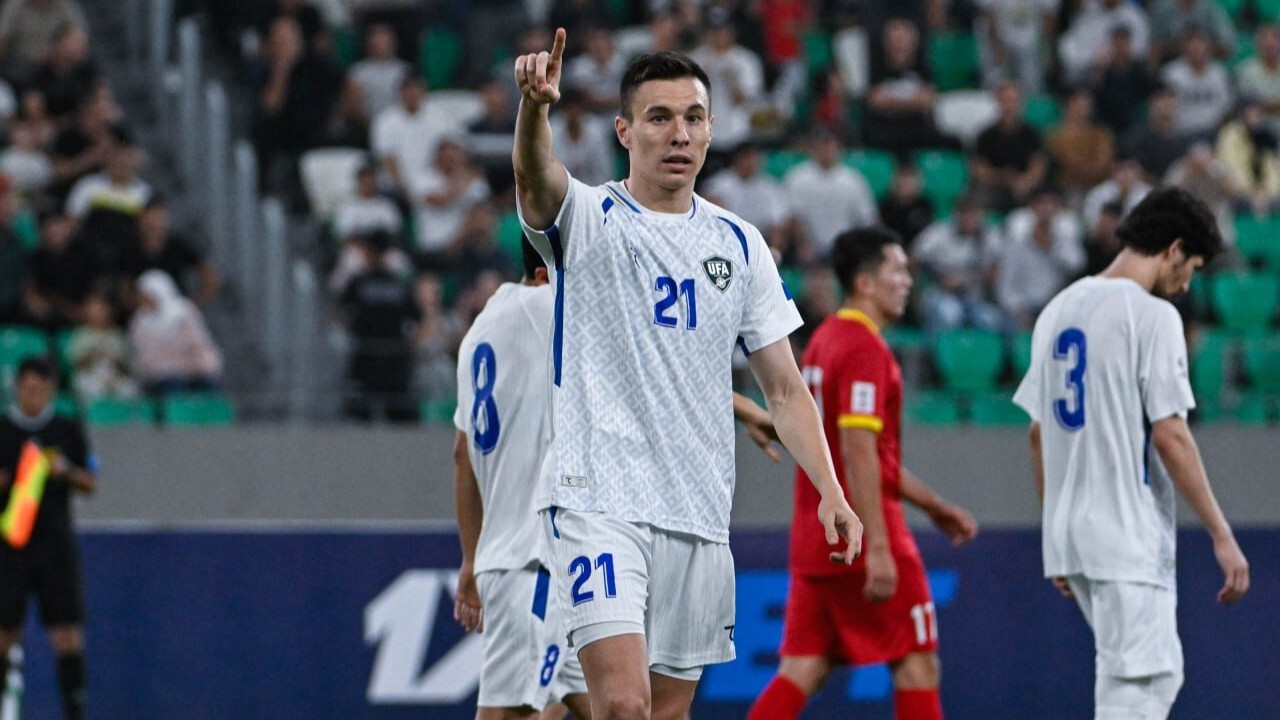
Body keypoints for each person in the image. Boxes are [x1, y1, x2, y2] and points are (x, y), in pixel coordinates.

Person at [511, 29, 862, 720]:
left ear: (711, 130)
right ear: (624, 131)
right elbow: (533, 175)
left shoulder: (740, 244)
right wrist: (534, 110)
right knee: (623, 705)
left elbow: (784, 388)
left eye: (694, 117)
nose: (679, 134)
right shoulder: (588, 216)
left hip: (698, 510)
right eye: (660, 117)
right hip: (597, 501)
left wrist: (830, 488)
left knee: (665, 714)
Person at [1012, 187, 1250, 719]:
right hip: (1124, 532)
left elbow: (1037, 434)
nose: (1187, 283)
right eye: (1191, 267)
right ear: (1174, 248)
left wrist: (1055, 530)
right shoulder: (1152, 316)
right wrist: (1221, 533)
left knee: (1138, 678)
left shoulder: (1057, 309)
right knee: (1143, 685)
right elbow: (1170, 435)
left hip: (1072, 534)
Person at [748, 227, 978, 720]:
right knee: (917, 664)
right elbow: (857, 452)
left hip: (815, 537)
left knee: (803, 669)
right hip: (863, 536)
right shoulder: (864, 349)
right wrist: (878, 547)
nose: (908, 281)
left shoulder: (824, 340)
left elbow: (863, 455)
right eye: (898, 270)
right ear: (865, 282)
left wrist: (934, 506)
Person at [453, 241, 592, 720]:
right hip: (533, 562)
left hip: (518, 559)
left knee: (619, 705)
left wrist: (471, 558)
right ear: (544, 274)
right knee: (509, 714)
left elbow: (461, 454)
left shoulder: (479, 332)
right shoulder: (546, 307)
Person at [0, 356, 96, 720]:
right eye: (28, 389)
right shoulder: (3, 430)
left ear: (52, 390)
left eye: (41, 389)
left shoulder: (66, 429)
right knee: (5, 632)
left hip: (55, 545)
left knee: (67, 632)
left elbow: (90, 482)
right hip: (11, 545)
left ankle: (74, 709)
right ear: (17, 388)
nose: (34, 396)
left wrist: (65, 470)